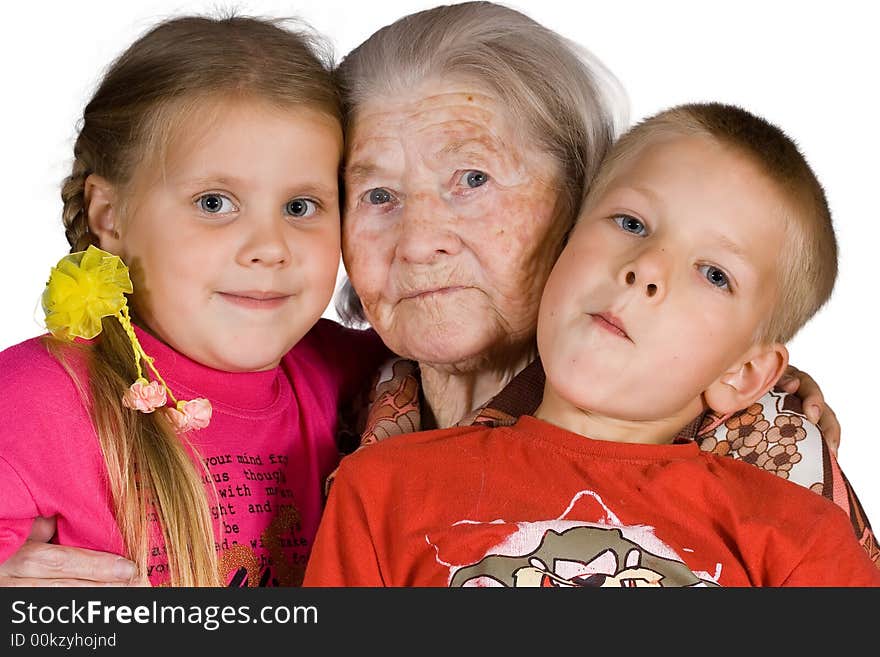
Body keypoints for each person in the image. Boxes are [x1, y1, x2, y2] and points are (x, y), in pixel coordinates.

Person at [2, 1, 873, 586]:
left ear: (580, 200)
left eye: (472, 178)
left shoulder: (747, 439)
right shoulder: (345, 391)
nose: (418, 241)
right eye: (375, 193)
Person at [303, 102, 880, 587]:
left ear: (746, 371)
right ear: (561, 242)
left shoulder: (798, 535)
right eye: (630, 223)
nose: (646, 268)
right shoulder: (381, 490)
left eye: (714, 274)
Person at [0, 14, 388, 587]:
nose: (269, 248)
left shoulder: (363, 375)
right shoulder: (35, 399)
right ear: (110, 215)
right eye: (214, 202)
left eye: (301, 207)